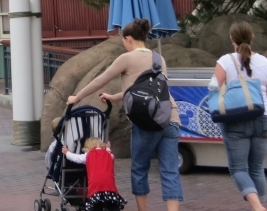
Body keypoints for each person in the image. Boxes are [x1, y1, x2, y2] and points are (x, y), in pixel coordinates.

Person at [67, 18, 183, 211]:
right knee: (170, 171)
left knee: (139, 169)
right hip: (170, 118)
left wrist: (77, 97)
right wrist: (115, 96)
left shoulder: (126, 58)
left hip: (146, 122)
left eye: (123, 39)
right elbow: (154, 91)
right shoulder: (158, 59)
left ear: (128, 38)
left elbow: (100, 80)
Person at [211, 21, 267, 211]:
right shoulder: (266, 63)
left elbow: (214, 87)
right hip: (264, 117)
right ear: (252, 37)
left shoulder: (225, 61)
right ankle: (261, 205)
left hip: (235, 118)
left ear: (232, 39)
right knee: (256, 168)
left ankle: (257, 207)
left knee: (238, 169)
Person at [62, 137, 127, 211]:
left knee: (96, 204)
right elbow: (111, 154)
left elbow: (77, 158)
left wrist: (67, 152)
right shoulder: (109, 154)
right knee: (111, 203)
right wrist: (108, 148)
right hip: (109, 184)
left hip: (95, 184)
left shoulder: (88, 155)